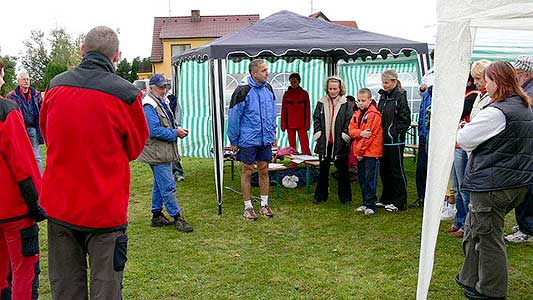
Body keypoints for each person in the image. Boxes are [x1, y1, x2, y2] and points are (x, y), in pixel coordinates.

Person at [39, 26, 149, 300]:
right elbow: (134, 148)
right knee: (106, 291)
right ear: (117, 56)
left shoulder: (55, 87)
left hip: (61, 206)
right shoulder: (126, 95)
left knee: (66, 290)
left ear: (82, 51)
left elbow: (47, 134)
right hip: (104, 210)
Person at [456, 61, 533, 300]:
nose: (484, 85)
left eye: (487, 80)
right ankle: (470, 278)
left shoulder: (497, 111)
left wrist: (464, 129)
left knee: (488, 237)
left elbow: (464, 138)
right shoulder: (523, 106)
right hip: (515, 182)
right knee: (475, 229)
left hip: (492, 184)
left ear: (497, 82)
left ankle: (490, 290)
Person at [0, 59, 46, 300]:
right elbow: (23, 165)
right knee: (24, 270)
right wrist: (37, 204)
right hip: (14, 211)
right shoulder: (6, 110)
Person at [138, 74, 193, 232]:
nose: (164, 90)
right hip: (157, 152)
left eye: (165, 87)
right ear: (152, 88)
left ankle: (156, 215)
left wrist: (176, 131)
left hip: (160, 151)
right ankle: (177, 218)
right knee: (168, 185)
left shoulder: (160, 101)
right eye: (161, 87)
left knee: (159, 183)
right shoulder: (149, 104)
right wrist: (176, 133)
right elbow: (154, 130)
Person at [228, 59, 276, 220]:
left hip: (265, 139)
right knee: (247, 171)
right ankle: (248, 207)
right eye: (263, 70)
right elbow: (234, 117)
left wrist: (273, 133)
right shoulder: (242, 91)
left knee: (264, 169)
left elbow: (272, 113)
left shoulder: (268, 89)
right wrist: (233, 140)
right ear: (254, 73)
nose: (267, 73)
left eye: (267, 69)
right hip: (248, 140)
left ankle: (264, 204)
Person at [504, 55, 533, 243]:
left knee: (527, 189)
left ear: (528, 73)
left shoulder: (529, 92)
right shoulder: (526, 89)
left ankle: (527, 228)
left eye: (518, 73)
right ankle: (525, 224)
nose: (516, 76)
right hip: (526, 147)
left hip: (527, 148)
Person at [312, 76, 353, 205]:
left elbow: (349, 120)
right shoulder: (321, 102)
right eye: (330, 88)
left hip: (340, 143)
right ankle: (320, 196)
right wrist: (318, 132)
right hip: (325, 142)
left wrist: (345, 135)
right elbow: (316, 118)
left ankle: (345, 198)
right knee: (323, 171)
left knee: (343, 171)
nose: (332, 91)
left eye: (335, 88)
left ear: (340, 89)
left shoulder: (346, 103)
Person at [448, 75, 479, 239]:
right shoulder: (465, 95)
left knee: (463, 187)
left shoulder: (472, 95)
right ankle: (459, 220)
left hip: (462, 146)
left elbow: (459, 111)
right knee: (458, 187)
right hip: (456, 143)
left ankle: (467, 223)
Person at [377, 69, 411, 211]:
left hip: (395, 141)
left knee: (396, 170)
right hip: (382, 140)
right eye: (383, 82)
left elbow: (405, 120)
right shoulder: (383, 97)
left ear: (394, 81)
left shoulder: (400, 97)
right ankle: (386, 197)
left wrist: (392, 133)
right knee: (384, 170)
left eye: (386, 82)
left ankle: (400, 201)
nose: (384, 85)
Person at [349, 88, 383, 215]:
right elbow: (351, 130)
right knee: (362, 178)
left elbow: (370, 136)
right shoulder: (357, 113)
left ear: (370, 100)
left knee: (370, 179)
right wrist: (360, 133)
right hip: (360, 152)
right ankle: (365, 202)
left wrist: (360, 152)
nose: (361, 103)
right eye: (359, 101)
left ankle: (371, 204)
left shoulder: (374, 114)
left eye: (363, 100)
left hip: (370, 153)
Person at [6, 71, 44, 172]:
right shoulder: (12, 96)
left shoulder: (36, 94)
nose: (26, 81)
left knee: (37, 156)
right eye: (24, 79)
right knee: (22, 155)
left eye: (28, 79)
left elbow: (43, 109)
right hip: (20, 129)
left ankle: (39, 181)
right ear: (19, 81)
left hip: (34, 128)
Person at [281, 72, 311, 155]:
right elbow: (283, 110)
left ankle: (308, 162)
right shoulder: (287, 94)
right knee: (292, 146)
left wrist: (307, 124)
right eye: (291, 82)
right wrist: (283, 124)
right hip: (290, 124)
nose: (293, 84)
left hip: (302, 124)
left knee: (305, 145)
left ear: (299, 81)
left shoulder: (304, 94)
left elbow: (308, 110)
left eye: (295, 82)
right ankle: (293, 164)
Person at [167, 87, 185, 181]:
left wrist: (176, 126)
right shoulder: (154, 100)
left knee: (174, 152)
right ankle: (168, 174)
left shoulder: (172, 98)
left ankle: (178, 173)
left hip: (172, 129)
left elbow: (178, 112)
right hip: (163, 130)